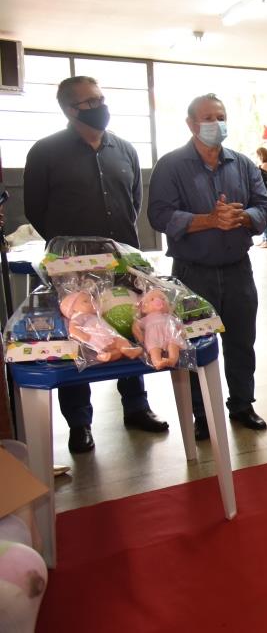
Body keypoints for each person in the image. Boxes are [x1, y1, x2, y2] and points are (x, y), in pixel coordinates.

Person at [22, 76, 168, 454]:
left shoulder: (124, 149)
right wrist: (71, 251)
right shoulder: (46, 152)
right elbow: (35, 208)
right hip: (71, 268)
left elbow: (133, 202)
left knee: (128, 328)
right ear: (69, 109)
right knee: (80, 337)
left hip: (121, 263)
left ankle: (136, 406)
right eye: (90, 101)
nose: (100, 106)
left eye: (102, 98)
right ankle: (79, 422)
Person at [148, 93, 267, 440]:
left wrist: (242, 217)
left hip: (238, 269)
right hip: (193, 273)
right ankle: (202, 414)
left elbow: (265, 206)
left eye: (221, 116)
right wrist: (208, 220)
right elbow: (158, 215)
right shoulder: (171, 165)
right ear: (191, 124)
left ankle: (242, 404)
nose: (216, 124)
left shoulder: (243, 164)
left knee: (242, 341)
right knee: (193, 345)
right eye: (207, 118)